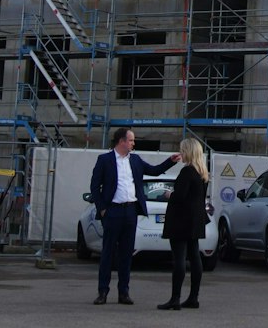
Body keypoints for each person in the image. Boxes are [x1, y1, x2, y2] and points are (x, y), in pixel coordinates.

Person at [87, 128, 177, 305]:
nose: (133, 144)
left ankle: (124, 292)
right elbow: (95, 186)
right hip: (112, 211)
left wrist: (170, 161)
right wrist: (102, 209)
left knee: (126, 253)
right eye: (131, 140)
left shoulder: (135, 160)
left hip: (130, 211)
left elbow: (154, 171)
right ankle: (103, 291)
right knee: (108, 252)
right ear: (121, 141)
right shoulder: (105, 160)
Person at [158, 137, 210, 310]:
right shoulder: (202, 173)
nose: (181, 153)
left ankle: (175, 298)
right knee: (194, 256)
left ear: (188, 151)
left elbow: (180, 196)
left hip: (181, 220)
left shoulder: (187, 172)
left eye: (182, 150)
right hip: (196, 220)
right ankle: (193, 297)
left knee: (179, 258)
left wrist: (169, 195)